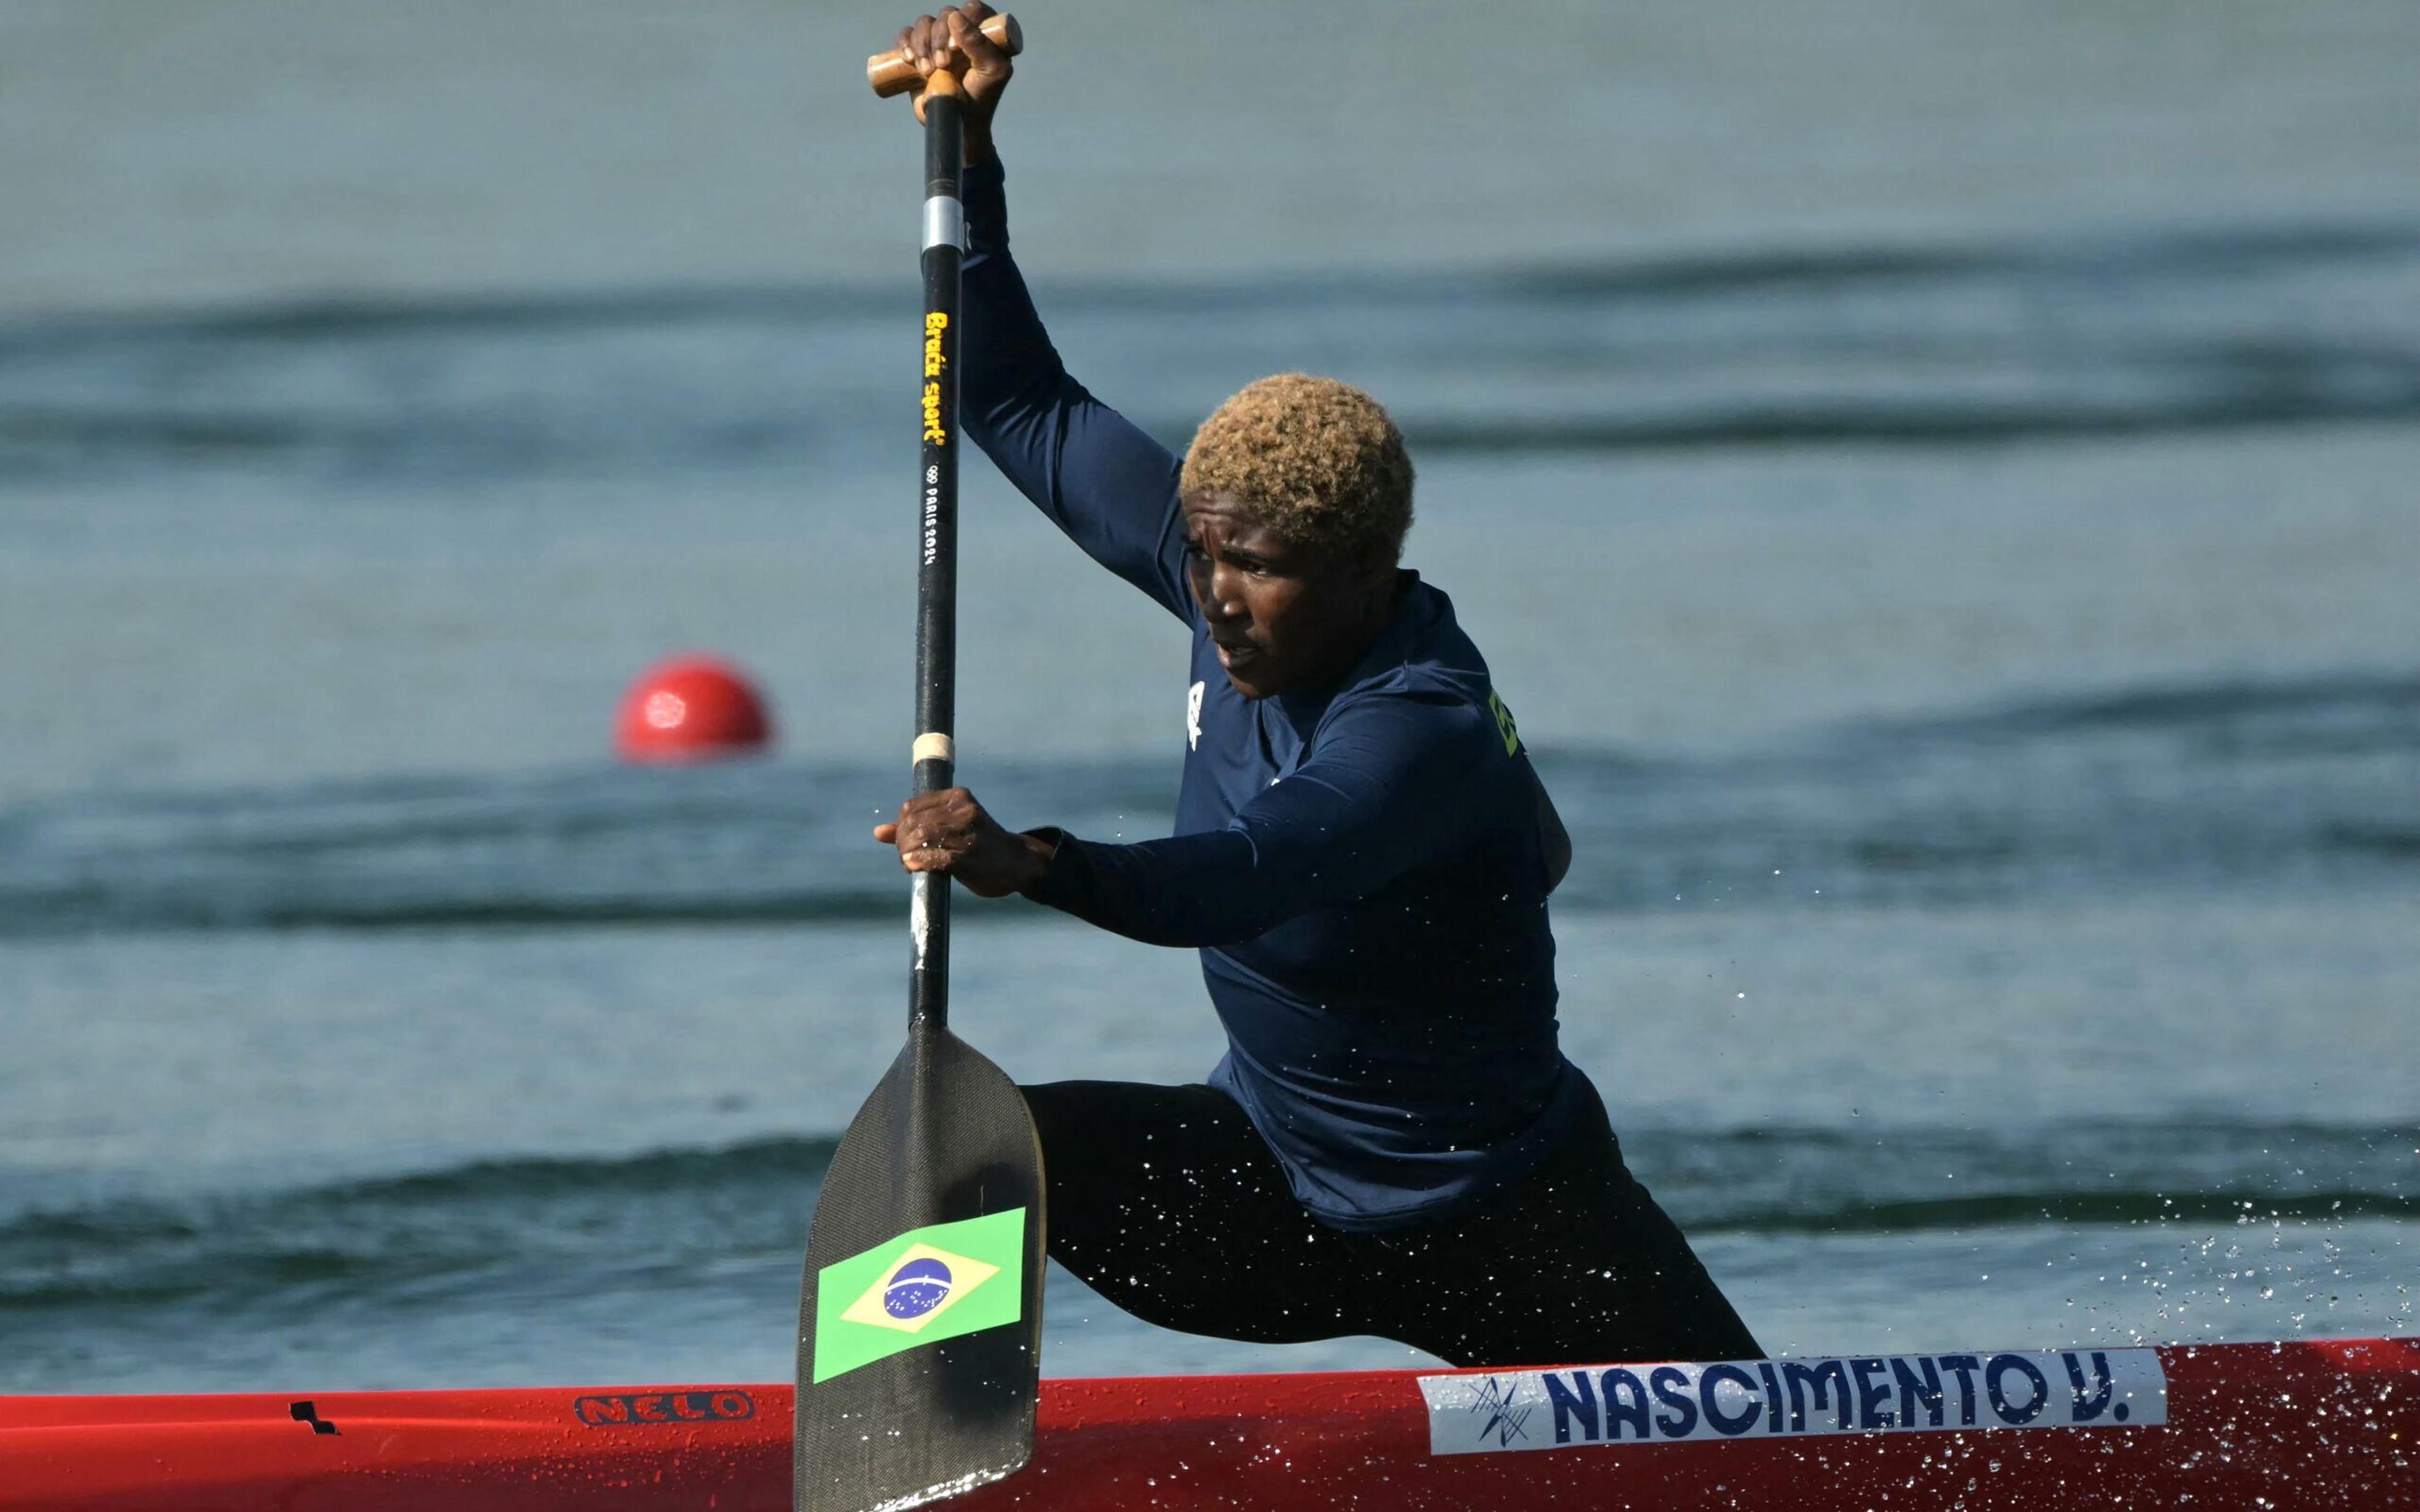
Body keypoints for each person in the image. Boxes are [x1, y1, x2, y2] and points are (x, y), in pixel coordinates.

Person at [876, 3, 1760, 1368]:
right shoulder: (1211, 566)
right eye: (1209, 557)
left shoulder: (1424, 724)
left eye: (1266, 570)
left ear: (1366, 568)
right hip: (1269, 1197)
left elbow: (1237, 875)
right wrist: (974, 156)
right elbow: (1016, 405)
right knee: (966, 1162)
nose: (1220, 596)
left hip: (1512, 1230)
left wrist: (1026, 859)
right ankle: (926, 1439)